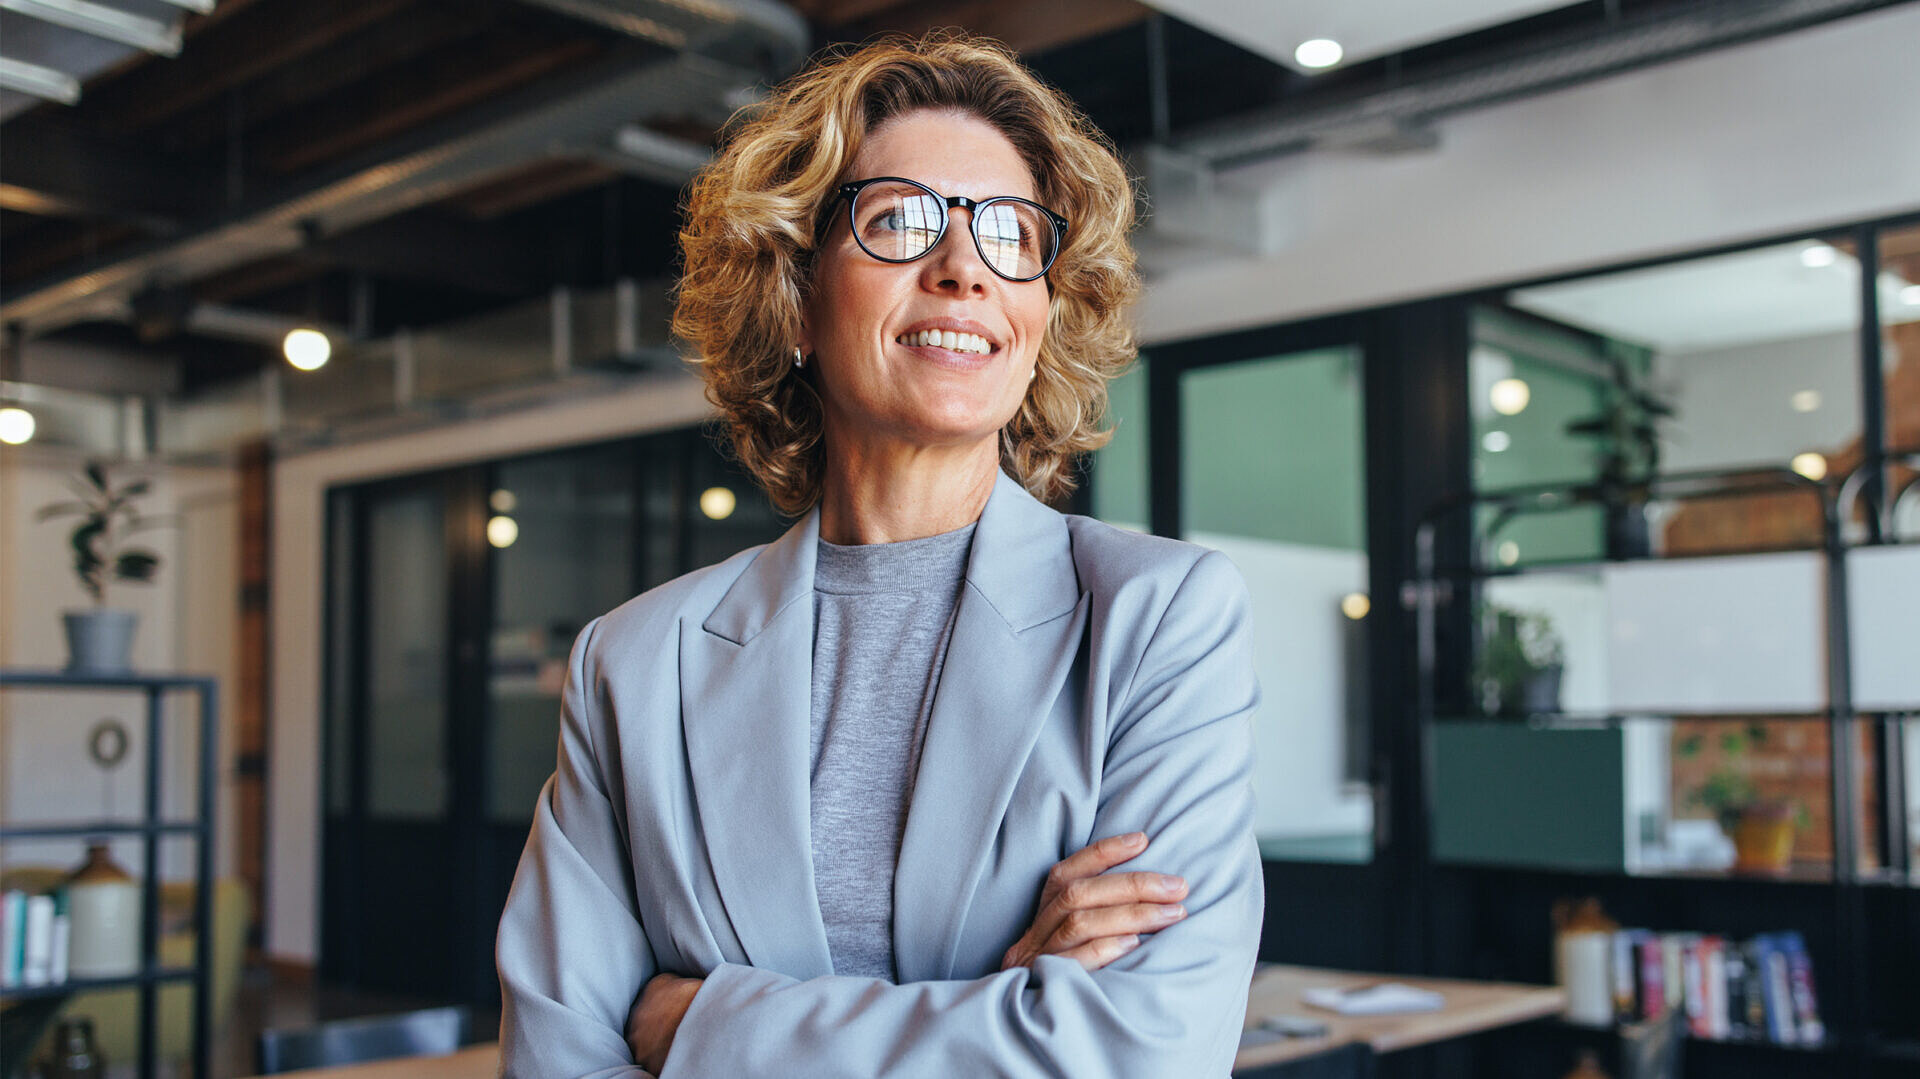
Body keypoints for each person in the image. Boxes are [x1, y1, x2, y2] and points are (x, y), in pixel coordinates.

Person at [495, 33, 1263, 1077]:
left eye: (1009, 231)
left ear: (1044, 306)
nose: (962, 269)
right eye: (899, 219)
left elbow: (1141, 1055)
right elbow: (558, 1057)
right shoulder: (633, 663)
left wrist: (707, 1027)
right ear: (796, 295)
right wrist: (1002, 1001)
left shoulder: (1158, 618)